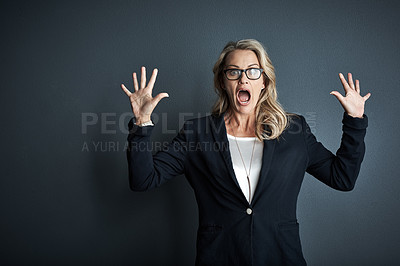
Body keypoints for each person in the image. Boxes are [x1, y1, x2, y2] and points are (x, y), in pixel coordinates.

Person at [121, 39, 371, 265]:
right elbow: (144, 180)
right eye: (234, 72)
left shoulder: (294, 130)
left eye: (252, 71)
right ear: (222, 81)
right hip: (219, 257)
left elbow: (342, 178)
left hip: (281, 257)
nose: (243, 79)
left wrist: (355, 121)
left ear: (264, 81)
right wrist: (142, 123)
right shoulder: (196, 133)